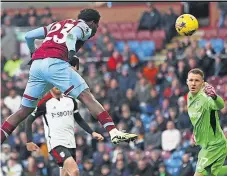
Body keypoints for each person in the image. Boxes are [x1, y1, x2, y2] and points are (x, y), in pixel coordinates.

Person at [1, 8, 137, 145]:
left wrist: (33, 52)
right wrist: (72, 54)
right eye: (97, 25)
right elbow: (72, 36)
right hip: (55, 63)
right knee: (86, 96)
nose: (96, 28)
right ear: (93, 22)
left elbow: (29, 36)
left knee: (24, 110)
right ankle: (114, 133)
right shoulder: (84, 26)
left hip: (37, 65)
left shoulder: (55, 25)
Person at [25, 87, 104, 176]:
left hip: (71, 143)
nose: (57, 86)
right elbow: (29, 120)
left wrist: (92, 132)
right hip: (56, 144)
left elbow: (79, 119)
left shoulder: (71, 101)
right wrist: (29, 141)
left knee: (66, 174)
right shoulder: (44, 103)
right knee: (74, 171)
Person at [187, 68, 227, 176]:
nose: (193, 83)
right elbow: (197, 118)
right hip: (205, 145)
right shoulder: (189, 97)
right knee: (214, 173)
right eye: (191, 80)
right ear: (187, 82)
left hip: (215, 145)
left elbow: (220, 105)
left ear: (202, 83)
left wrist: (214, 96)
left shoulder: (206, 98)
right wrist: (196, 132)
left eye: (197, 80)